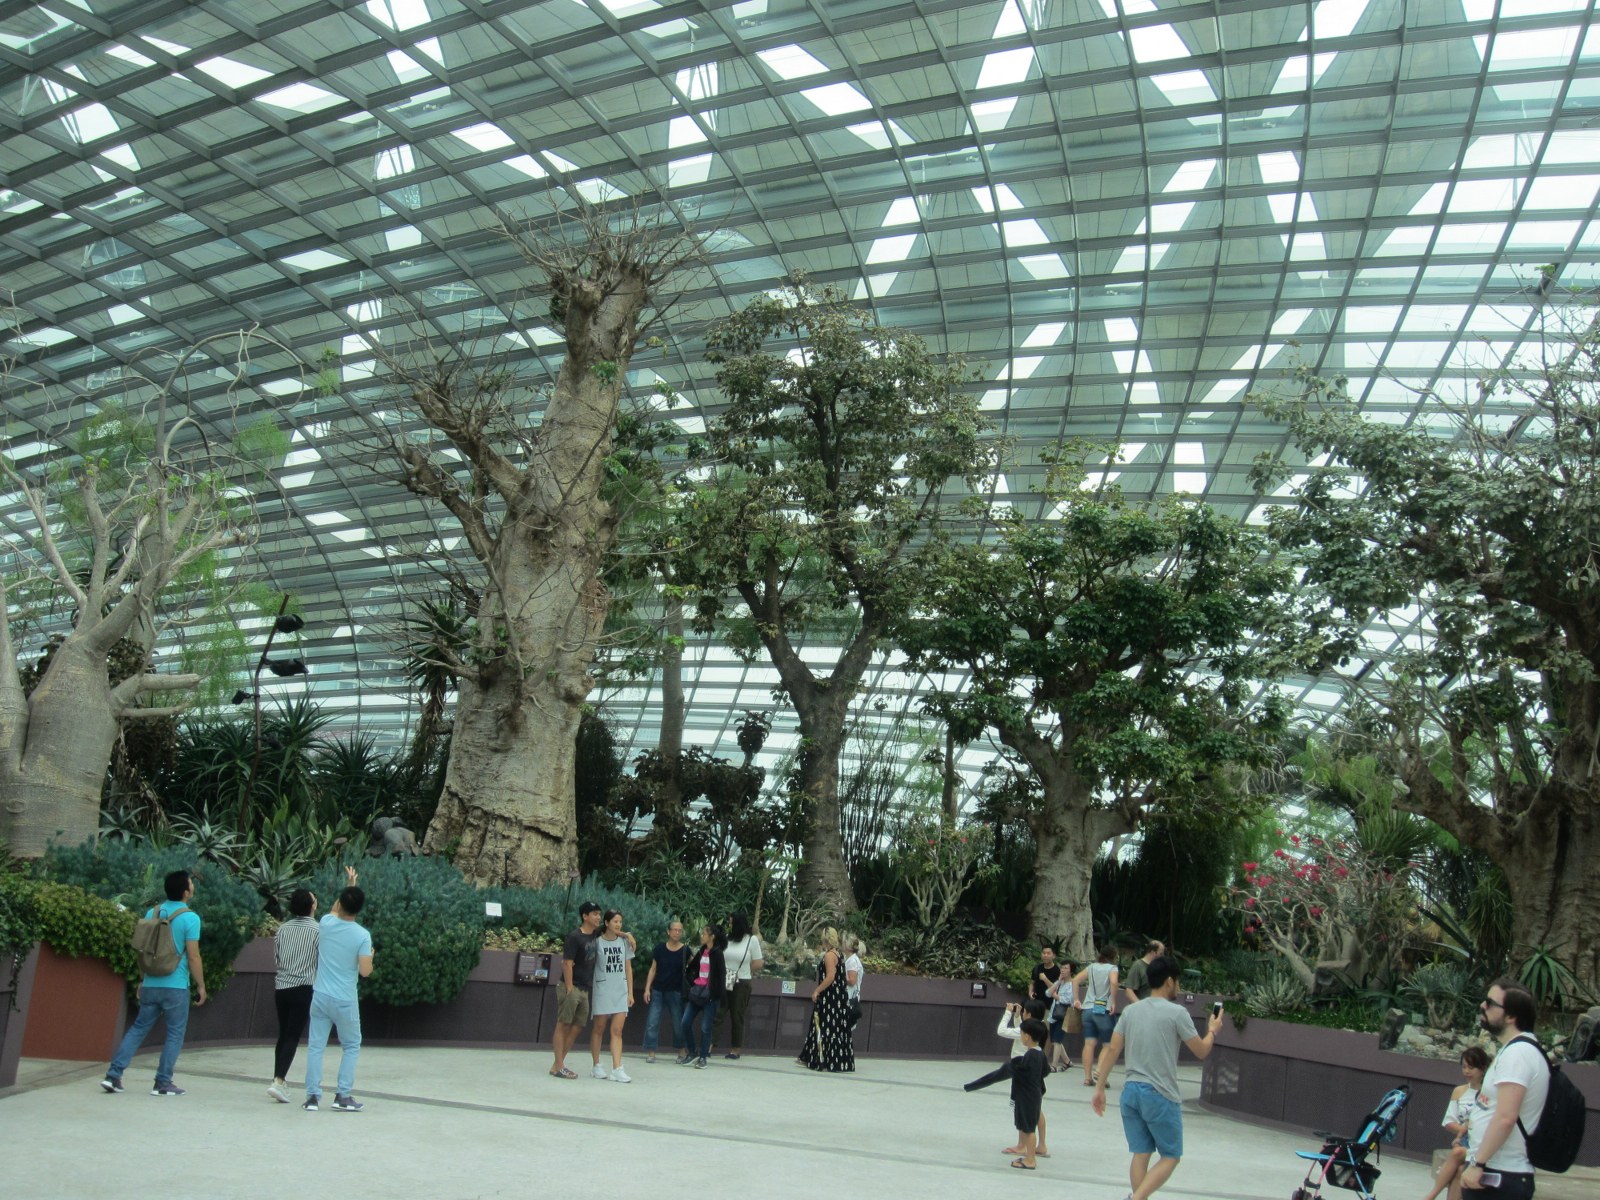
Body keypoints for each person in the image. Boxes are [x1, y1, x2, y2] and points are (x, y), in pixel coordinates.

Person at [1091, 954, 1223, 1200]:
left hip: (1131, 1092)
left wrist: (1099, 1088)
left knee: (1141, 1153)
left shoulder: (1130, 1011)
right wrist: (1213, 1031)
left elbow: (1112, 1049)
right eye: (1178, 981)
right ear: (1169, 981)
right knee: (1171, 1156)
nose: (1179, 987)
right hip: (1160, 1094)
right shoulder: (1177, 1013)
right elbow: (1201, 1050)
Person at [101, 870, 206, 1097]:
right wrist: (201, 985)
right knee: (175, 1033)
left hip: (150, 982)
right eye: (191, 884)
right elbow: (193, 956)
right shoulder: (191, 918)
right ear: (186, 892)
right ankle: (163, 1082)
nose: (193, 887)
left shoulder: (153, 912)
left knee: (139, 1028)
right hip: (176, 985)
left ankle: (113, 1075)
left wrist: (142, 979)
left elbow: (143, 950)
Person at [1463, 980, 1549, 1199]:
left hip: (1501, 1175)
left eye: (1490, 1003)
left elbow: (1505, 1118)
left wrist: (1478, 1164)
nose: (1482, 1005)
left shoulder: (1518, 1054)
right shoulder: (1514, 1050)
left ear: (1511, 1016)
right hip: (1496, 1171)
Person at [303, 865, 374, 1113]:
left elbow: (335, 909)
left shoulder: (326, 923)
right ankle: (343, 1095)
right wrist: (371, 956)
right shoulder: (362, 936)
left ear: (341, 903)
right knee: (351, 1045)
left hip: (320, 995)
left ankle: (312, 1097)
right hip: (344, 998)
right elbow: (365, 971)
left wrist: (349, 885)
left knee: (316, 1046)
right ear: (360, 909)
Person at [965, 1016, 1049, 1171]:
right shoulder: (1040, 1053)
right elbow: (1045, 1071)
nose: (1021, 1036)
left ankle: (1030, 1160)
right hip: (1034, 1094)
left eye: (1021, 1033)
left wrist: (1013, 1068)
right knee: (1028, 1125)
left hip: (1027, 1096)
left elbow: (1022, 1072)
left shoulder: (1030, 1055)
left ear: (1027, 1036)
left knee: (1028, 1128)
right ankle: (1029, 1156)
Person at [267, 887, 319, 1104]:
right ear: (312, 906)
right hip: (304, 987)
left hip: (282, 987)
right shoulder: (318, 931)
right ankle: (278, 1081)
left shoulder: (283, 929)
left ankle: (278, 1079)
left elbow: (277, 958)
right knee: (292, 1036)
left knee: (283, 1034)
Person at [1424, 1046, 1491, 1200]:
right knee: (1460, 1169)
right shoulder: (1459, 1091)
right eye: (1464, 1067)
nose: (1467, 1071)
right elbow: (1448, 1121)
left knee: (1457, 1155)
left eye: (1471, 1068)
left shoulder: (1489, 1093)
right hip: (1464, 1140)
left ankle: (1432, 1195)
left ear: (1482, 1068)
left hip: (1479, 1144)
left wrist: (1464, 1132)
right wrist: (1462, 1131)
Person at [549, 900, 602, 1080]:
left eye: (599, 914)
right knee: (563, 1024)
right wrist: (570, 988)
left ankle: (558, 1064)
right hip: (571, 987)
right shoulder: (574, 937)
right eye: (594, 914)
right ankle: (559, 1066)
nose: (598, 917)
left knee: (578, 1026)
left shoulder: (596, 934)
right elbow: (567, 963)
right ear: (585, 916)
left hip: (585, 989)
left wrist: (627, 935)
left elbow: (612, 928)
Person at [798, 928, 854, 1073]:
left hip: (830, 997)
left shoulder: (829, 955)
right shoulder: (839, 954)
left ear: (825, 939)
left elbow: (830, 977)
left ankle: (820, 1058)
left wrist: (817, 990)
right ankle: (834, 1059)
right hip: (839, 997)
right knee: (834, 1028)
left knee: (823, 1026)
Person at [589, 909, 635, 1082]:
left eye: (620, 922)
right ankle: (596, 1065)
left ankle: (617, 1068)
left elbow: (628, 968)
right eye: (615, 921)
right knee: (599, 1028)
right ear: (607, 923)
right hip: (602, 989)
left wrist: (630, 992)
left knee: (617, 1030)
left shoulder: (624, 942)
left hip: (620, 990)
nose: (618, 925)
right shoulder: (597, 942)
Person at [717, 912, 765, 1059]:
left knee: (737, 1015)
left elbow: (758, 962)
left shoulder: (751, 940)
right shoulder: (727, 939)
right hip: (726, 979)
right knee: (718, 1013)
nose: (729, 925)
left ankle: (735, 1049)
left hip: (741, 981)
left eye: (732, 923)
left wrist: (745, 971)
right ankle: (710, 1044)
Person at [679, 923, 726, 1068]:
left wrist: (715, 994)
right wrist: (693, 982)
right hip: (697, 992)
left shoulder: (717, 953)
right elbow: (692, 968)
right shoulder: (702, 951)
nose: (701, 936)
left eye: (704, 933)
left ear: (712, 936)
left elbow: (721, 976)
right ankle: (692, 1052)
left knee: (706, 1027)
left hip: (710, 996)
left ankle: (703, 1056)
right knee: (685, 1022)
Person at [642, 919, 688, 1064]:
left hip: (676, 991)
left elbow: (693, 968)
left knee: (678, 1023)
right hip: (658, 990)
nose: (677, 933)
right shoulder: (660, 949)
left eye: (680, 930)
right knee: (652, 1021)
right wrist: (647, 988)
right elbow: (653, 969)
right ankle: (651, 1052)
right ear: (668, 931)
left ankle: (682, 1051)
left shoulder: (685, 950)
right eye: (674, 930)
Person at [1075, 945, 1121, 1086]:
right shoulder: (1112, 968)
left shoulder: (1091, 967)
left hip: (1087, 1008)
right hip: (1103, 1009)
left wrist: (1076, 999)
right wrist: (1113, 1001)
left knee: (1089, 1043)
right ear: (1113, 956)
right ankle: (1100, 1071)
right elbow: (1113, 982)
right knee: (1108, 1044)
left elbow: (1075, 980)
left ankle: (1087, 1077)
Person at [1044, 965, 1076, 1072]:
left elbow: (1068, 1000)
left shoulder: (1073, 984)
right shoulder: (1060, 982)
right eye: (1062, 968)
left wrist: (1055, 996)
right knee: (1054, 1040)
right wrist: (1058, 982)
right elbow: (1048, 993)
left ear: (1071, 971)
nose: (1063, 970)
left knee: (1057, 1040)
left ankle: (1054, 1065)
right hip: (1054, 1014)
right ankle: (1067, 1062)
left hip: (1065, 1015)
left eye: (1066, 968)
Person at [1123, 940, 1166, 1005]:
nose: (1163, 956)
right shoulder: (1138, 966)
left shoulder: (1159, 968)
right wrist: (1141, 1006)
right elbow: (1129, 990)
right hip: (1142, 1006)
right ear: (1153, 952)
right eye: (1161, 954)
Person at [842, 933, 866, 1039]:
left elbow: (852, 981)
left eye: (843, 942)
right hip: (848, 998)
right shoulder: (850, 959)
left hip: (849, 999)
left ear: (848, 946)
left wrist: (839, 977)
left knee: (844, 1030)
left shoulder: (852, 961)